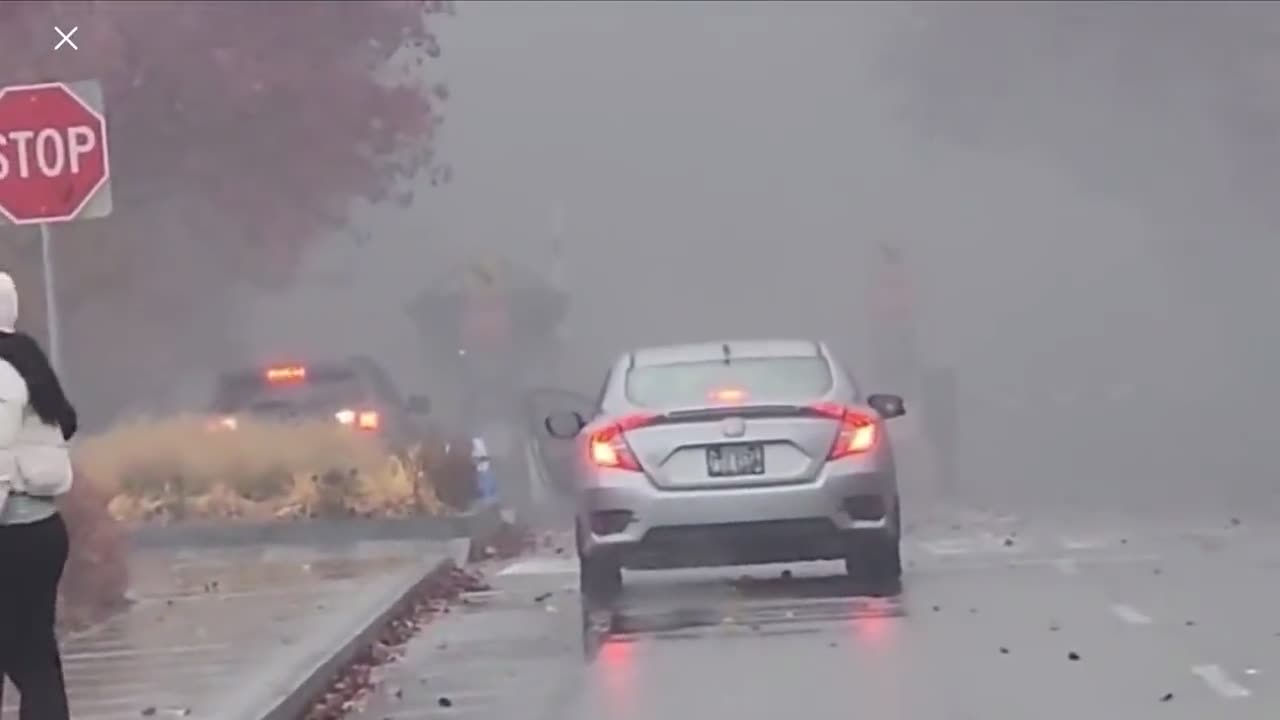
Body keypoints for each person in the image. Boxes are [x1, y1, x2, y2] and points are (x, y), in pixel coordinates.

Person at [0, 271, 78, 720]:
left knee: (25, 654)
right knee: (35, 653)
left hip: (9, 532)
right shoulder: (27, 360)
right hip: (42, 529)